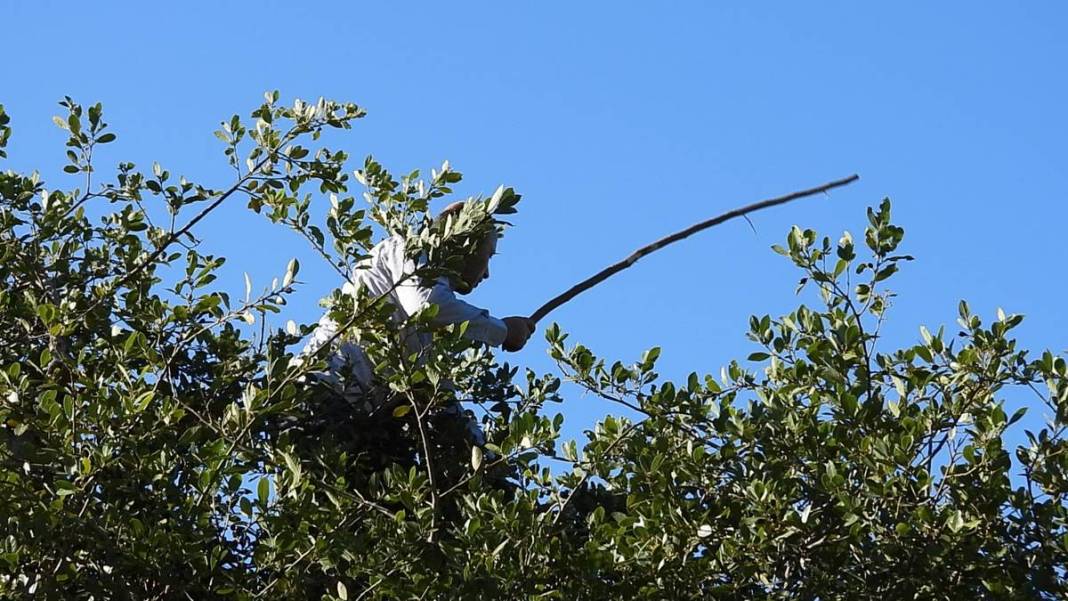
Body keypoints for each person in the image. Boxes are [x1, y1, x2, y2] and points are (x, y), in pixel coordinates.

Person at [297, 201, 535, 450]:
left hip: (352, 423)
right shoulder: (407, 249)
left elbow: (439, 398)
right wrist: (503, 331)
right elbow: (428, 306)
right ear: (466, 243)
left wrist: (486, 453)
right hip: (318, 391)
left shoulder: (433, 330)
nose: (486, 273)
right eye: (488, 256)